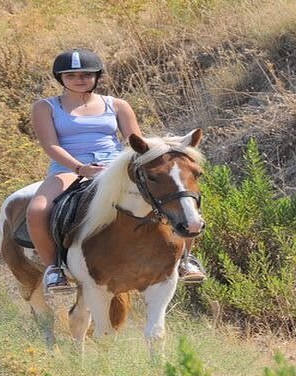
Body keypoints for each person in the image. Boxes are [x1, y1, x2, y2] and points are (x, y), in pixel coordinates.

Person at [27, 49, 205, 294]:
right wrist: (80, 168)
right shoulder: (45, 107)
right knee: (37, 211)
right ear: (60, 78)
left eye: (86, 75)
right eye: (71, 75)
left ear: (97, 77)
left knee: (179, 198)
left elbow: (138, 143)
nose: (80, 79)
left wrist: (170, 146)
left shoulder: (117, 105)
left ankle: (186, 259)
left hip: (115, 167)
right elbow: (51, 144)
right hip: (69, 169)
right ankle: (54, 269)